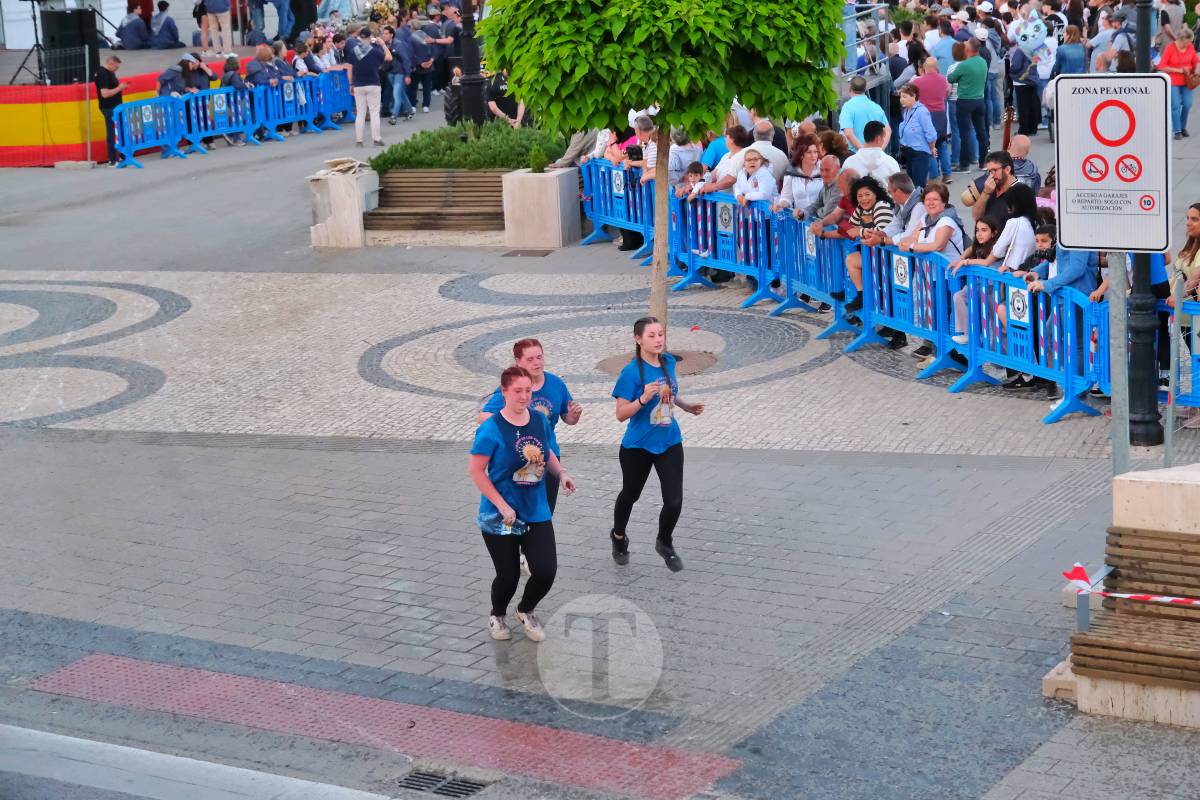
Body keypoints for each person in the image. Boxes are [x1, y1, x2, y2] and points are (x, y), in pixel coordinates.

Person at [469, 365, 576, 642]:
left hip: (535, 509)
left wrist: (561, 472)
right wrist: (501, 505)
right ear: (504, 392)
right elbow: (476, 471)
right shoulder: (491, 429)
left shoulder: (538, 421)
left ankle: (526, 609)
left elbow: (547, 451)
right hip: (501, 516)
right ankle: (497, 613)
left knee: (546, 570)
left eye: (528, 390)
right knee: (508, 576)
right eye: (518, 391)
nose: (524, 396)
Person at [610, 316, 704, 573]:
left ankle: (664, 542)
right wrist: (642, 398)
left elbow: (670, 392)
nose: (658, 339)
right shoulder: (630, 373)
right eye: (651, 335)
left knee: (674, 500)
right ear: (638, 339)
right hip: (638, 446)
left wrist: (685, 406)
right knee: (631, 494)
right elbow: (621, 414)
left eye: (660, 334)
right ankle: (618, 537)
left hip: (670, 440)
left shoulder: (668, 362)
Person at [947, 37, 989, 171]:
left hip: (965, 100)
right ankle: (983, 161)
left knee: (964, 133)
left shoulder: (964, 65)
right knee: (981, 132)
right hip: (979, 100)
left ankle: (964, 164)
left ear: (968, 49)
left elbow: (951, 78)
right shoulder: (983, 62)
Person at [345, 27, 391, 147]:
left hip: (358, 84)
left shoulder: (353, 51)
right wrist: (383, 44)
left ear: (360, 37)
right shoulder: (375, 51)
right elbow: (389, 57)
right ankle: (376, 139)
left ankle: (359, 140)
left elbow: (349, 69)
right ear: (370, 37)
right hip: (373, 83)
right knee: (374, 112)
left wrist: (351, 84)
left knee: (360, 113)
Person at [911, 56, 952, 183]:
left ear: (924, 68)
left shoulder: (917, 82)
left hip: (926, 116)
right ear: (937, 67)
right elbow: (947, 93)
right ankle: (947, 174)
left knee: (929, 147)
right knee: (942, 144)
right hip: (940, 114)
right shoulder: (943, 80)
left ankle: (934, 177)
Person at [1159, 25, 1199, 139]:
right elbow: (1162, 66)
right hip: (1173, 81)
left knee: (1187, 104)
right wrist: (1178, 70)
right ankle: (1177, 131)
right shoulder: (1170, 48)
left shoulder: (1190, 47)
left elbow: (1196, 61)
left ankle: (1182, 127)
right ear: (1182, 39)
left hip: (1188, 80)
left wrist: (1196, 70)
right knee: (1175, 105)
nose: (1189, 44)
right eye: (1187, 42)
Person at [897, 84, 938, 189]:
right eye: (901, 97)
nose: (902, 100)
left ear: (914, 96)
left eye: (905, 97)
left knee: (919, 185)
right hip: (908, 151)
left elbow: (930, 133)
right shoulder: (906, 111)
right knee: (911, 184)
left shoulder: (921, 111)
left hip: (919, 153)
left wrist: (932, 147)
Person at [93, 56, 129, 166]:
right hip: (109, 107)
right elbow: (105, 94)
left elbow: (112, 88)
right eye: (116, 67)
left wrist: (120, 87)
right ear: (111, 63)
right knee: (112, 133)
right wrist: (120, 88)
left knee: (121, 130)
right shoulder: (102, 73)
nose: (117, 69)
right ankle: (112, 159)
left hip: (116, 106)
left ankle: (122, 156)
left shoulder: (110, 73)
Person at [839, 75, 891, 151]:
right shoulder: (876, 107)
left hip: (855, 155)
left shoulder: (847, 107)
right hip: (874, 155)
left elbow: (848, 133)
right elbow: (888, 130)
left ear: (850, 88)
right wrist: (880, 150)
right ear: (865, 89)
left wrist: (863, 151)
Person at [775, 134, 822, 217]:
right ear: (801, 155)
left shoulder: (823, 169)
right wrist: (781, 204)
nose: (813, 155)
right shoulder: (791, 173)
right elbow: (787, 197)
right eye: (809, 152)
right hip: (800, 220)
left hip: (821, 220)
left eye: (815, 152)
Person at [843, 120, 902, 184]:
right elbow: (897, 189)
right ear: (878, 139)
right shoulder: (891, 162)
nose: (884, 141)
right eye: (884, 138)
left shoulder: (849, 162)